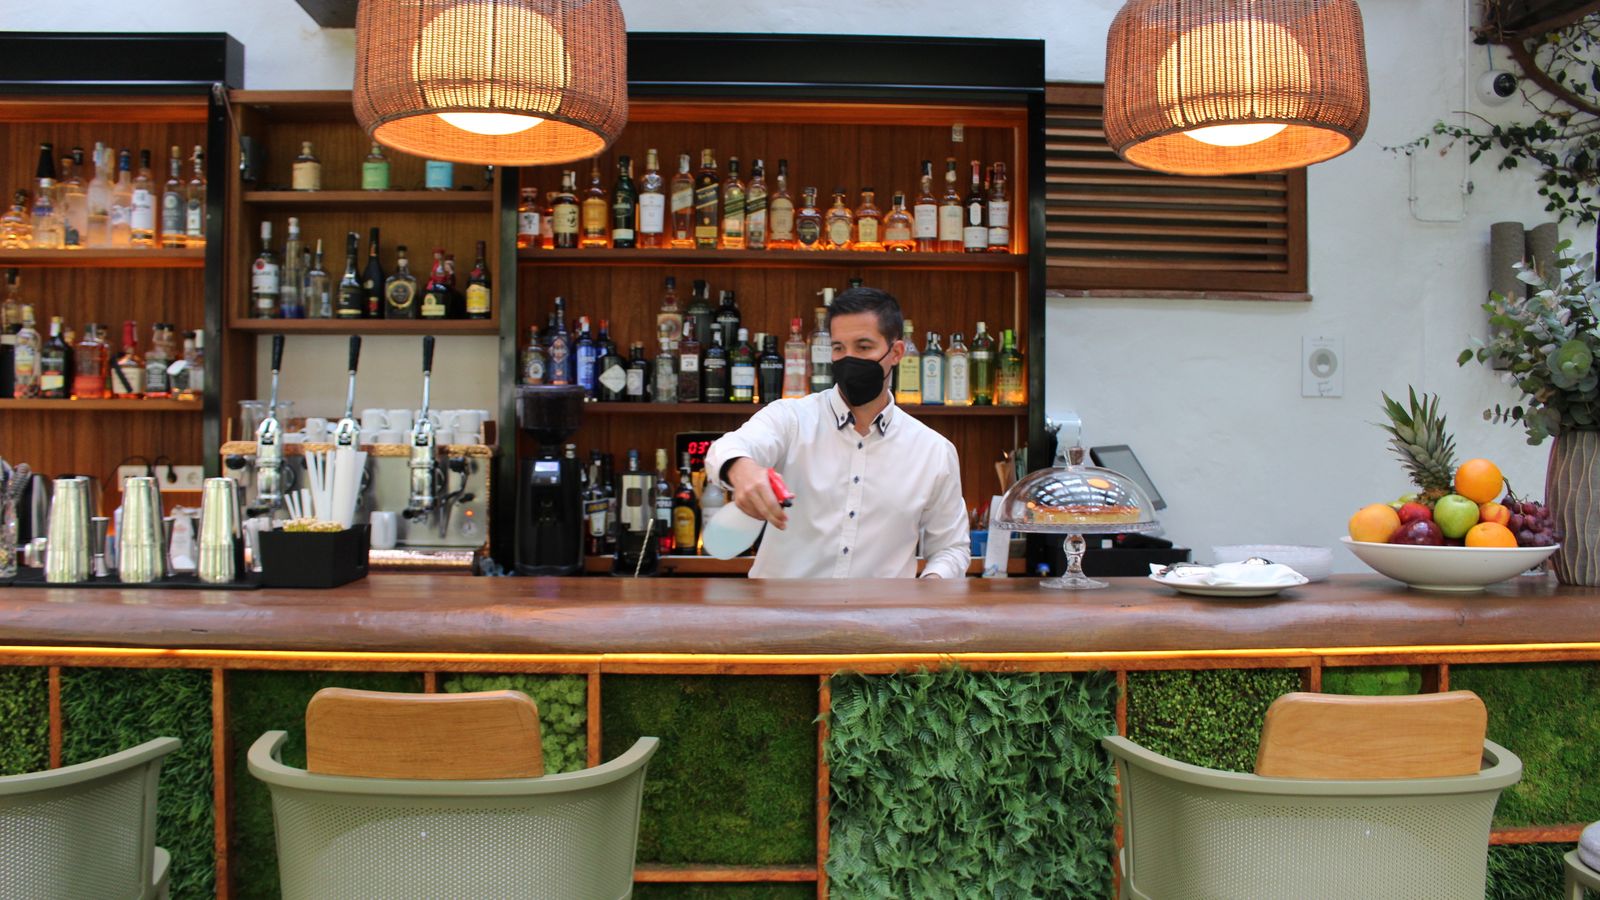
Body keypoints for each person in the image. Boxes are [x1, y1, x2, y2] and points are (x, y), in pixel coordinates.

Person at [704, 286, 970, 578]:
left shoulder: (932, 450)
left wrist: (931, 585)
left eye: (863, 347)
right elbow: (726, 448)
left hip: (881, 621)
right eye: (839, 348)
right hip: (781, 618)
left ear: (896, 352)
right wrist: (742, 470)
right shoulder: (790, 419)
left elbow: (951, 548)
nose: (848, 359)